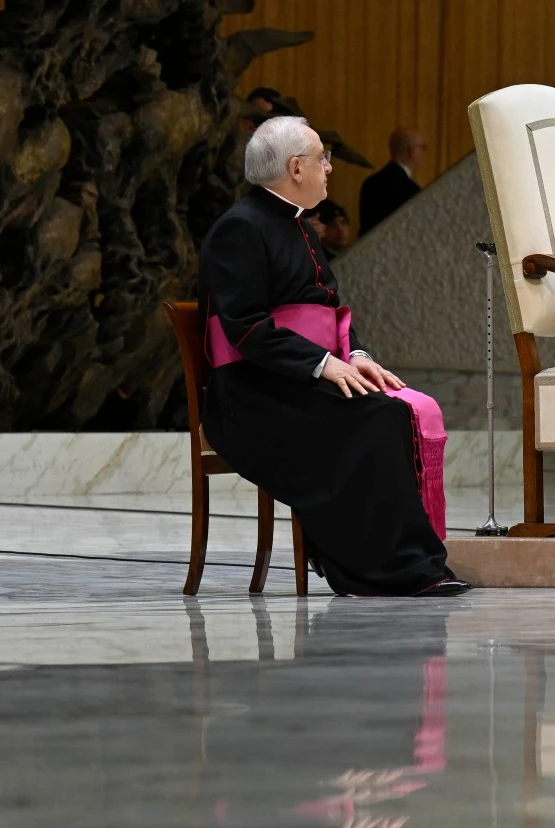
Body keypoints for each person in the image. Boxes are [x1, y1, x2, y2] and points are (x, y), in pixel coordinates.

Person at [198, 116, 468, 596]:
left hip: (295, 380)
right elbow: (244, 327)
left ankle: (413, 562)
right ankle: (381, 569)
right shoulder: (240, 228)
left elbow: (329, 310)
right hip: (252, 393)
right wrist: (323, 364)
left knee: (389, 410)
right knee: (378, 419)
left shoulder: (299, 226)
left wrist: (355, 353)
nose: (330, 167)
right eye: (323, 158)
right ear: (296, 168)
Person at [358, 127, 426, 232]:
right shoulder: (411, 190)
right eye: (422, 148)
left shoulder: (370, 183)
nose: (423, 153)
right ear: (411, 151)